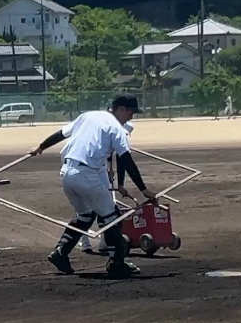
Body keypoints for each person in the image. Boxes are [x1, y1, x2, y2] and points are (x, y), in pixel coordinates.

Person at [30, 95, 156, 279]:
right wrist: (144, 189)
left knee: (86, 215)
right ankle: (116, 263)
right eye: (130, 112)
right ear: (120, 109)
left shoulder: (88, 116)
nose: (131, 117)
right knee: (112, 218)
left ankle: (60, 252)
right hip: (87, 175)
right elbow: (126, 160)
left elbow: (61, 134)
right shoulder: (116, 128)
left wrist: (41, 146)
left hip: (67, 173)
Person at [78, 121, 134, 254]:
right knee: (88, 207)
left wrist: (109, 169)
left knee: (107, 205)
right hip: (85, 167)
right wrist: (119, 183)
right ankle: (85, 242)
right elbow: (120, 159)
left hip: (99, 167)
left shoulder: (108, 136)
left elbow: (111, 157)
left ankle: (104, 242)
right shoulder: (98, 135)